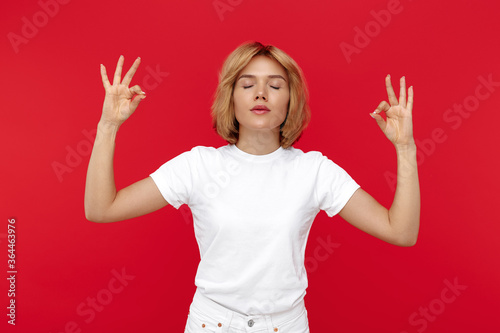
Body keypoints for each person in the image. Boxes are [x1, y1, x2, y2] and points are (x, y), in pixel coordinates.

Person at [85, 41, 420, 333]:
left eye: (275, 85)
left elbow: (401, 232)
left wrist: (405, 149)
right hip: (210, 324)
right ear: (230, 97)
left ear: (291, 99)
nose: (261, 93)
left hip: (284, 325)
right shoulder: (198, 165)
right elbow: (102, 209)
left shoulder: (314, 170)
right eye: (247, 84)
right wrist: (107, 126)